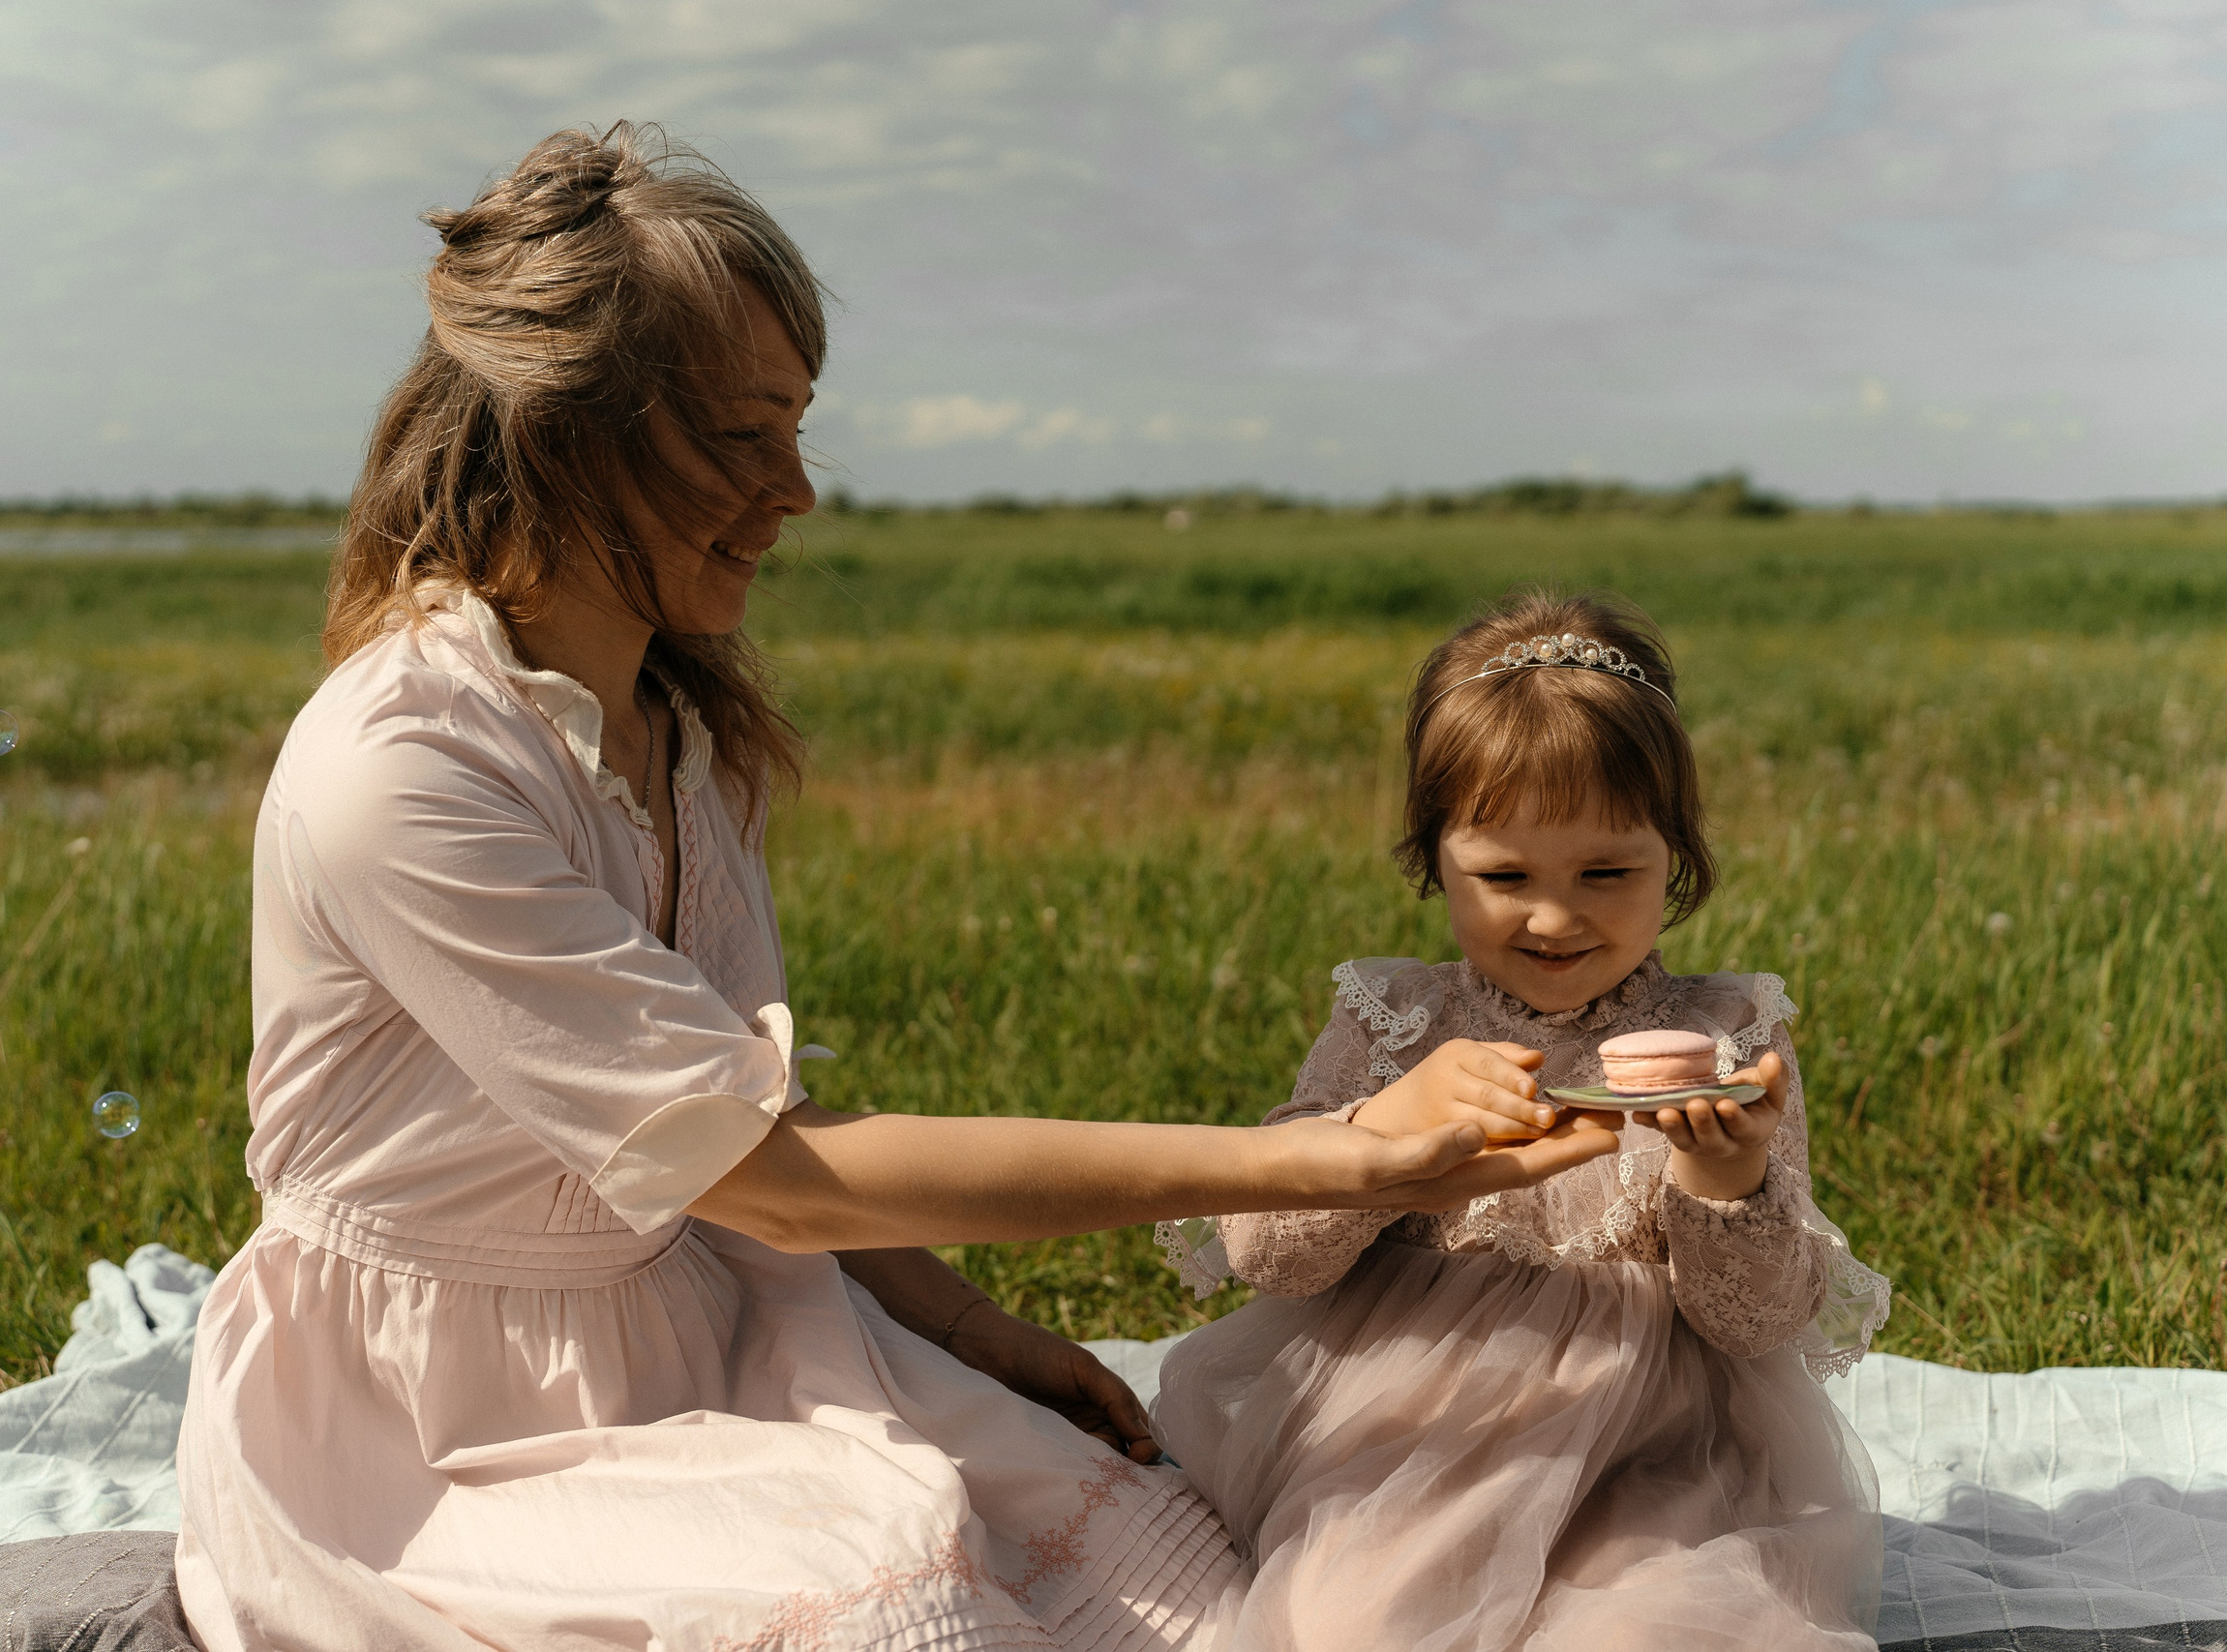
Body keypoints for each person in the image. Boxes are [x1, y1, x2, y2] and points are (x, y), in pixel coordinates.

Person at [171, 124, 1620, 1651]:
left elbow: (734, 1135)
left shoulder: (676, 734)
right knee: (907, 1607)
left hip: (697, 1312)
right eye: (741, 437)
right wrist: (1340, 1157)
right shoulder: (404, 765)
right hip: (429, 1422)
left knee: (1187, 1571)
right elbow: (774, 1173)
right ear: (564, 433)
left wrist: (974, 1331)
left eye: (797, 427)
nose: (796, 489)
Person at [1150, 589, 1896, 1649]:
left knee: (1663, 1626)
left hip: (1656, 1441)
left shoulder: (1727, 1034)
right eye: (1504, 876)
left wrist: (1726, 1186)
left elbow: (1758, 1322)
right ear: (1430, 857)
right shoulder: (1397, 1019)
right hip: (1413, 1430)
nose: (1554, 916)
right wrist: (1375, 1127)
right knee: (1347, 1623)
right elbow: (1271, 1257)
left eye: (1607, 871)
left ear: (1675, 855)